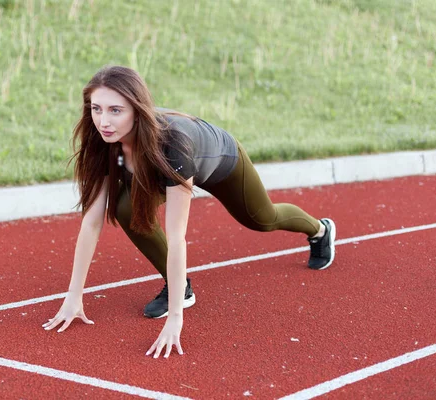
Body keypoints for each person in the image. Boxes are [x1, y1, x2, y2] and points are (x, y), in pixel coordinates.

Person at [43, 65, 336, 359]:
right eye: (97, 108)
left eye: (115, 110)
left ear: (137, 109)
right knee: (124, 208)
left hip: (220, 162)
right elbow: (92, 223)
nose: (104, 121)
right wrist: (74, 296)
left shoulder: (173, 145)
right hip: (157, 167)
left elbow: (177, 235)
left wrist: (175, 319)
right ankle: (179, 287)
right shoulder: (101, 138)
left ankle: (320, 230)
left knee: (262, 218)